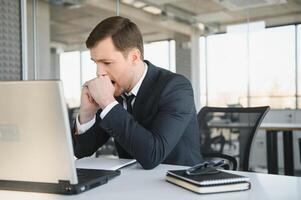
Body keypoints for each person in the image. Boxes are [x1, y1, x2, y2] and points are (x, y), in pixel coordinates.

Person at [72, 16, 203, 169]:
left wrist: (108, 103)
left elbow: (153, 155)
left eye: (107, 63)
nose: (99, 72)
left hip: (180, 183)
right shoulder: (114, 90)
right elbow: (82, 151)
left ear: (134, 57)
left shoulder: (176, 87)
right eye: (96, 62)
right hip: (133, 183)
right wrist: (87, 112)